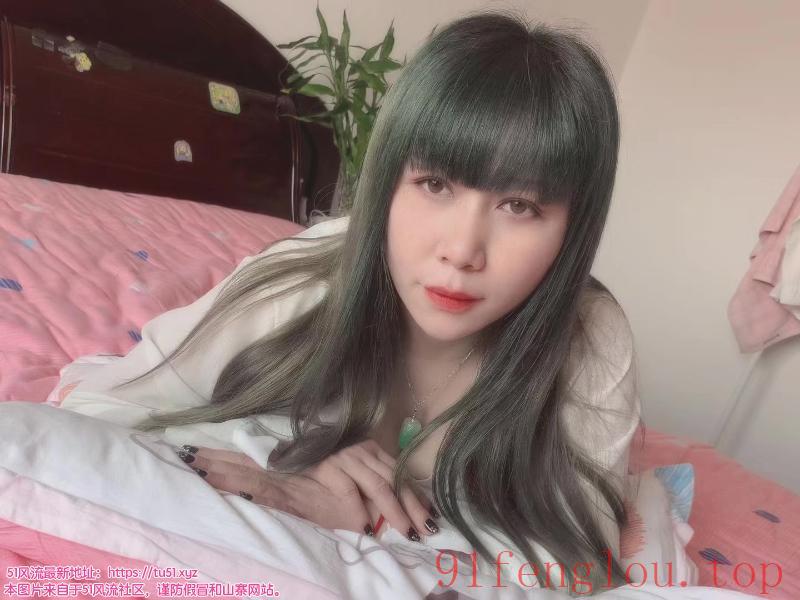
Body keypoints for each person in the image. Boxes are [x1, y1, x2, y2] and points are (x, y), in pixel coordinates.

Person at [55, 9, 642, 594]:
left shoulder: (590, 334)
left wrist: (373, 522)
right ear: (387, 183)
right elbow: (93, 412)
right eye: (435, 184)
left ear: (573, 230)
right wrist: (285, 456)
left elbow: (584, 571)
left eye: (520, 206)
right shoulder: (308, 280)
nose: (462, 251)